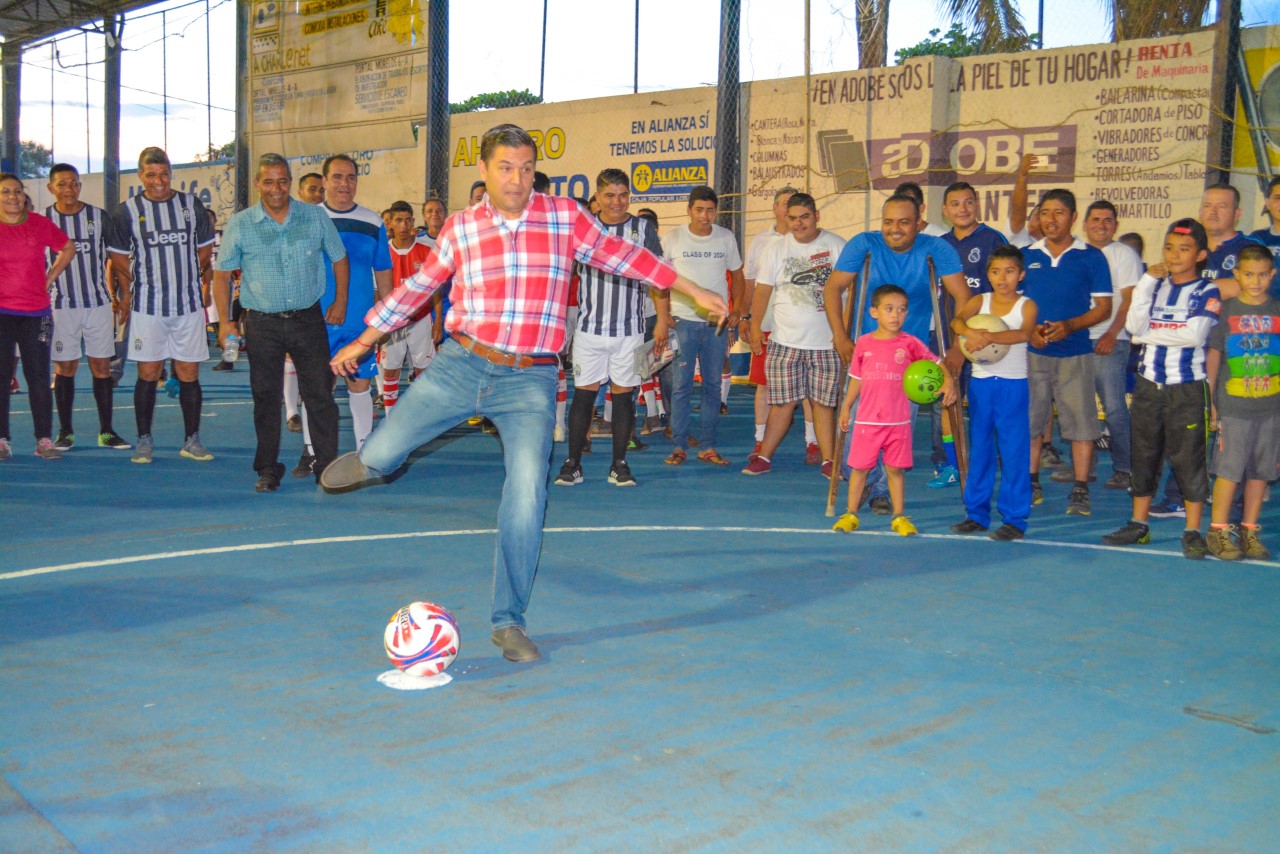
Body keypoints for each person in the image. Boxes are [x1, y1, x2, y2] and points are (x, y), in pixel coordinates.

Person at [319, 124, 728, 664]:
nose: (517, 179)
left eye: (526, 168)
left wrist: (693, 289)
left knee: (528, 491)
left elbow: (625, 257)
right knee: (382, 454)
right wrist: (365, 338)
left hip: (530, 380)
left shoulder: (564, 218)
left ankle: (508, 620)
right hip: (460, 365)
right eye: (506, 168)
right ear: (484, 171)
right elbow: (419, 288)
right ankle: (372, 460)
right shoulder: (461, 228)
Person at [823, 193, 969, 514]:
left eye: (904, 222)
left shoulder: (936, 249)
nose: (895, 229)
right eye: (888, 222)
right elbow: (833, 288)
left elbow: (962, 296)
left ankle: (879, 491)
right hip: (866, 354)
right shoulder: (864, 244)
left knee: (894, 428)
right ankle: (864, 477)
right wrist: (840, 336)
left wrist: (957, 347)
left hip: (909, 359)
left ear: (918, 223)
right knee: (855, 430)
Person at [213, 153, 350, 492]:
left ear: (290, 182)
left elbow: (340, 258)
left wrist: (340, 301)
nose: (276, 188)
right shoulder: (241, 224)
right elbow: (222, 275)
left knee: (320, 395)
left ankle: (325, 466)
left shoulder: (314, 216)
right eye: (269, 182)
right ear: (257, 184)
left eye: (283, 181)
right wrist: (225, 323)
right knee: (265, 397)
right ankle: (267, 468)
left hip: (308, 320)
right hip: (262, 324)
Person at [1103, 219, 1220, 559]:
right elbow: (1133, 325)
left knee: (1189, 459)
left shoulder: (1207, 291)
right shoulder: (1154, 285)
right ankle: (1139, 525)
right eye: (1169, 248)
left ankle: (1193, 530)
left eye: (1184, 249)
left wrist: (1144, 336)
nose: (1174, 255)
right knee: (1143, 455)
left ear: (1200, 255)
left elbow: (1193, 336)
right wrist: (1145, 284)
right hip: (1148, 386)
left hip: (1186, 388)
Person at [1149, 183, 1258, 517]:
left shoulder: (1249, 247)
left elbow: (1245, 284)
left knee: (1235, 428)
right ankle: (1179, 496)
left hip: (1235, 352)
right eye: (1208, 205)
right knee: (1186, 427)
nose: (1213, 211)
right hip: (1189, 354)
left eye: (1221, 206)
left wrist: (1195, 286)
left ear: (1237, 213)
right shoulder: (1190, 247)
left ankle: (1234, 501)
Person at [556, 168, 665, 488]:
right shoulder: (582, 228)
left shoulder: (642, 229)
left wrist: (662, 319)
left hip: (630, 331)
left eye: (623, 195)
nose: (617, 202)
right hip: (589, 329)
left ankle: (619, 463)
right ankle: (573, 463)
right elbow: (562, 274)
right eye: (609, 195)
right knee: (584, 396)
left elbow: (657, 276)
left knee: (623, 397)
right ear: (597, 196)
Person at [107, 147, 216, 464]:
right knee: (149, 372)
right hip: (148, 306)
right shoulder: (127, 211)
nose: (158, 180)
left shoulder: (190, 205)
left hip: (188, 305)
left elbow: (205, 251)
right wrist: (139, 282)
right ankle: (144, 440)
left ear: (170, 173)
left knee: (188, 373)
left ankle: (192, 440)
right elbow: (117, 257)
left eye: (164, 174)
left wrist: (186, 276)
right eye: (151, 175)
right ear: (141, 176)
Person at [294, 153, 393, 478]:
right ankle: (311, 451)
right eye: (337, 177)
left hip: (359, 326)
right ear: (324, 181)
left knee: (360, 385)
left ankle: (365, 454)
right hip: (315, 322)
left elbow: (384, 272)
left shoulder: (373, 222)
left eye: (350, 177)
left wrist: (386, 317)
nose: (344, 184)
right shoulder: (307, 219)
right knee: (315, 390)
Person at [833, 285, 955, 536]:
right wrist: (846, 408)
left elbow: (937, 362)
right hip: (867, 421)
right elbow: (856, 379)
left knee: (895, 470)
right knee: (859, 469)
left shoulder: (910, 344)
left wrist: (948, 381)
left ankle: (899, 516)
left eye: (901, 310)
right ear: (874, 312)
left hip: (898, 422)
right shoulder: (864, 343)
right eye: (889, 309)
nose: (895, 315)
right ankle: (851, 513)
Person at [741, 192, 846, 477]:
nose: (798, 223)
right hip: (784, 342)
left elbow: (851, 291)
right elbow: (762, 291)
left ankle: (829, 460)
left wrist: (844, 334)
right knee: (781, 404)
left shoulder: (837, 246)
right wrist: (754, 326)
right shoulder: (775, 249)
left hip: (826, 344)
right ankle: (764, 457)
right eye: (793, 218)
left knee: (823, 405)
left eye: (805, 217)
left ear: (817, 216)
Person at [1021, 188, 1113, 515]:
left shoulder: (1091, 257)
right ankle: (1031, 483)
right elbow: (1014, 305)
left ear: (1073, 217)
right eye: (1045, 212)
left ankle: (1080, 488)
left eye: (1059, 212)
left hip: (1075, 354)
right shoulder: (1025, 255)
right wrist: (1029, 329)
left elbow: (1104, 308)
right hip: (1032, 354)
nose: (1051, 219)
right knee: (1031, 422)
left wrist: (1070, 326)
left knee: (1081, 425)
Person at [947, 245, 1037, 541]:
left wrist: (986, 337)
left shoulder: (1026, 306)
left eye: (1009, 271)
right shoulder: (980, 300)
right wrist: (970, 332)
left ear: (1021, 275)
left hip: (1013, 384)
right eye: (996, 271)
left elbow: (1023, 334)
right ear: (988, 275)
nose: (1002, 278)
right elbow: (957, 322)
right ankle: (977, 514)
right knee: (981, 449)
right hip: (981, 384)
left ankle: (1014, 518)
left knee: (1013, 451)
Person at [1058, 199, 1143, 492]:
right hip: (1078, 340)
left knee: (1114, 408)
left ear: (1116, 225)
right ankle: (1085, 468)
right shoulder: (1076, 252)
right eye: (1095, 219)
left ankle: (1126, 468)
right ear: (1084, 223)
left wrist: (1112, 334)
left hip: (1111, 341)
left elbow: (1130, 300)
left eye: (1107, 220)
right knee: (1080, 409)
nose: (1101, 225)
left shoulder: (1124, 254)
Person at [44, 163, 131, 452]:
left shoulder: (99, 217)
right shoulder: (43, 219)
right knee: (65, 366)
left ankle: (107, 431)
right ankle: (65, 432)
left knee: (102, 366)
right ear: (51, 188)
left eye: (73, 183)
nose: (69, 189)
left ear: (80, 186)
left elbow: (117, 258)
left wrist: (125, 294)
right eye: (62, 184)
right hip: (61, 304)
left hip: (97, 303)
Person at [660, 185, 744, 467]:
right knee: (681, 386)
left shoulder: (726, 237)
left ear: (716, 211)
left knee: (712, 385)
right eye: (699, 210)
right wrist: (664, 313)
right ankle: (679, 445)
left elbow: (738, 275)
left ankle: (707, 446)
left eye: (710, 210)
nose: (704, 216)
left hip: (715, 322)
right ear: (689, 210)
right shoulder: (672, 239)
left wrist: (737, 309)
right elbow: (659, 278)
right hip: (682, 320)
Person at [934, 179, 1009, 489]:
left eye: (968, 202)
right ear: (945, 210)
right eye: (955, 204)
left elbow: (1005, 290)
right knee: (947, 397)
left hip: (984, 337)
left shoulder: (993, 239)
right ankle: (951, 463)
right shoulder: (939, 245)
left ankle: (986, 461)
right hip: (946, 333)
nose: (962, 209)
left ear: (977, 205)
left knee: (984, 402)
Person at [1204, 245, 1277, 560]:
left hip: (1271, 408)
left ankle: (1249, 530)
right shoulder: (1227, 311)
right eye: (1248, 274)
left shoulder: (1277, 310)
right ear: (1236, 274)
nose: (1255, 281)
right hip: (1234, 407)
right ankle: (1218, 530)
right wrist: (1211, 401)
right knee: (1229, 471)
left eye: (1262, 275)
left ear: (1272, 274)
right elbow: (1213, 358)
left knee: (1261, 471)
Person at [0, 173, 76, 461]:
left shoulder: (39, 224)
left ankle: (43, 440)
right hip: (2, 314)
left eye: (18, 191)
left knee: (40, 377)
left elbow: (68, 248)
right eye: (6, 192)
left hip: (38, 315)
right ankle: (1, 440)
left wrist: (51, 276)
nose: (13, 196)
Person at [741, 186, 819, 464]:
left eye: (794, 205)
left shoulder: (817, 243)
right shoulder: (762, 241)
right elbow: (751, 283)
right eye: (785, 204)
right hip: (768, 326)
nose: (789, 210)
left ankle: (813, 442)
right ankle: (760, 439)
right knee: (764, 385)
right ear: (775, 208)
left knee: (810, 389)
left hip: (806, 328)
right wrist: (747, 319)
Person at [379, 200, 440, 413]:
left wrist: (437, 322)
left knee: (423, 370)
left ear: (413, 221)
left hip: (420, 319)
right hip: (392, 321)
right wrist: (378, 324)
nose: (403, 225)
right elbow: (376, 291)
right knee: (391, 370)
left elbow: (436, 290)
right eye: (398, 220)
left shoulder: (427, 251)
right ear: (390, 223)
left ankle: (423, 418)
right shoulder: (383, 252)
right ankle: (390, 419)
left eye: (407, 220)